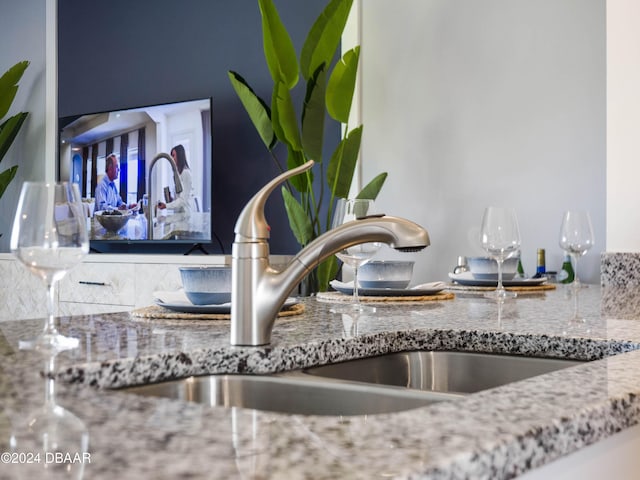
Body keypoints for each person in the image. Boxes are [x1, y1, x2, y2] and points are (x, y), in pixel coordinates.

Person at [157, 144, 195, 215]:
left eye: (173, 155)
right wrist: (171, 199)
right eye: (171, 156)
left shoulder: (186, 173)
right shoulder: (177, 174)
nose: (171, 158)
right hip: (179, 214)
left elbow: (183, 200)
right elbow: (179, 198)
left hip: (186, 214)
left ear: (180, 156)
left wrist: (166, 206)